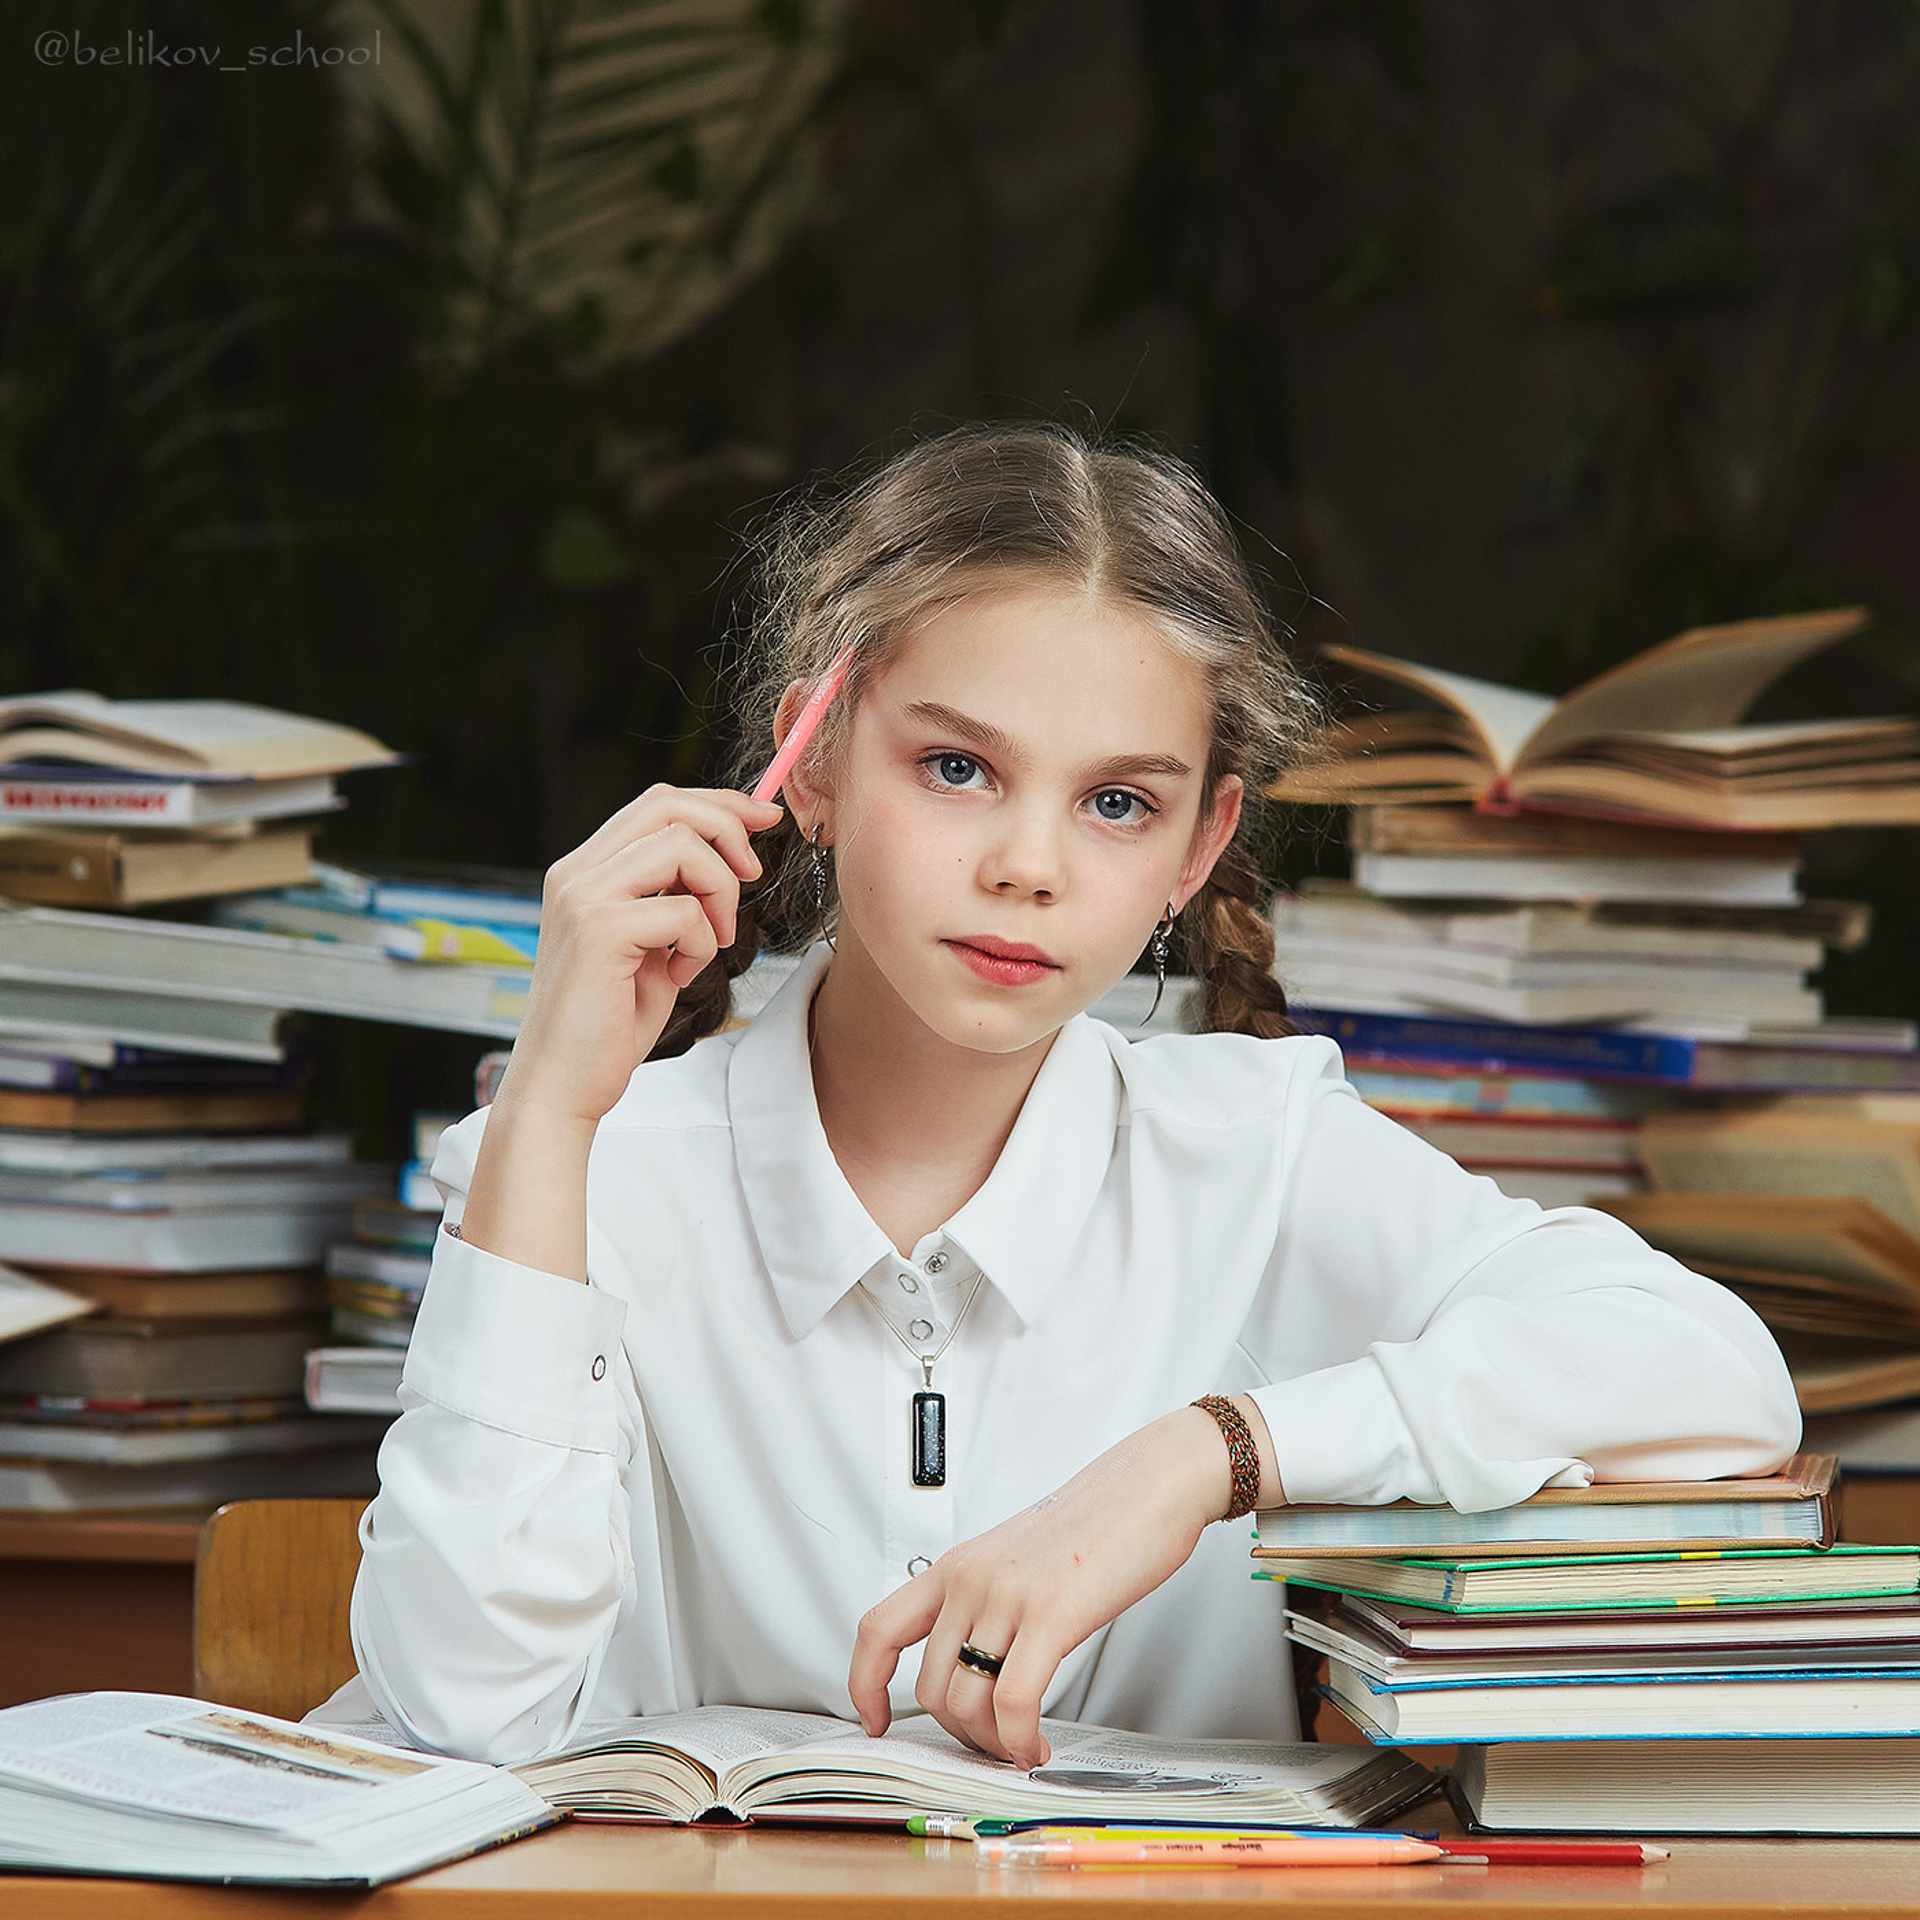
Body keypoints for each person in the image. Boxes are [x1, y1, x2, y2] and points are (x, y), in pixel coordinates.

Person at [341, 420, 1801, 1768]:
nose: (1029, 865)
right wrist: (545, 1110)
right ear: (821, 761)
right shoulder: (580, 1175)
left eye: (1118, 802)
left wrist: (1209, 1456)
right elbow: (468, 1706)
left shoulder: (1259, 1153)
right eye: (959, 766)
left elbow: (1713, 1376)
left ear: (1197, 844)